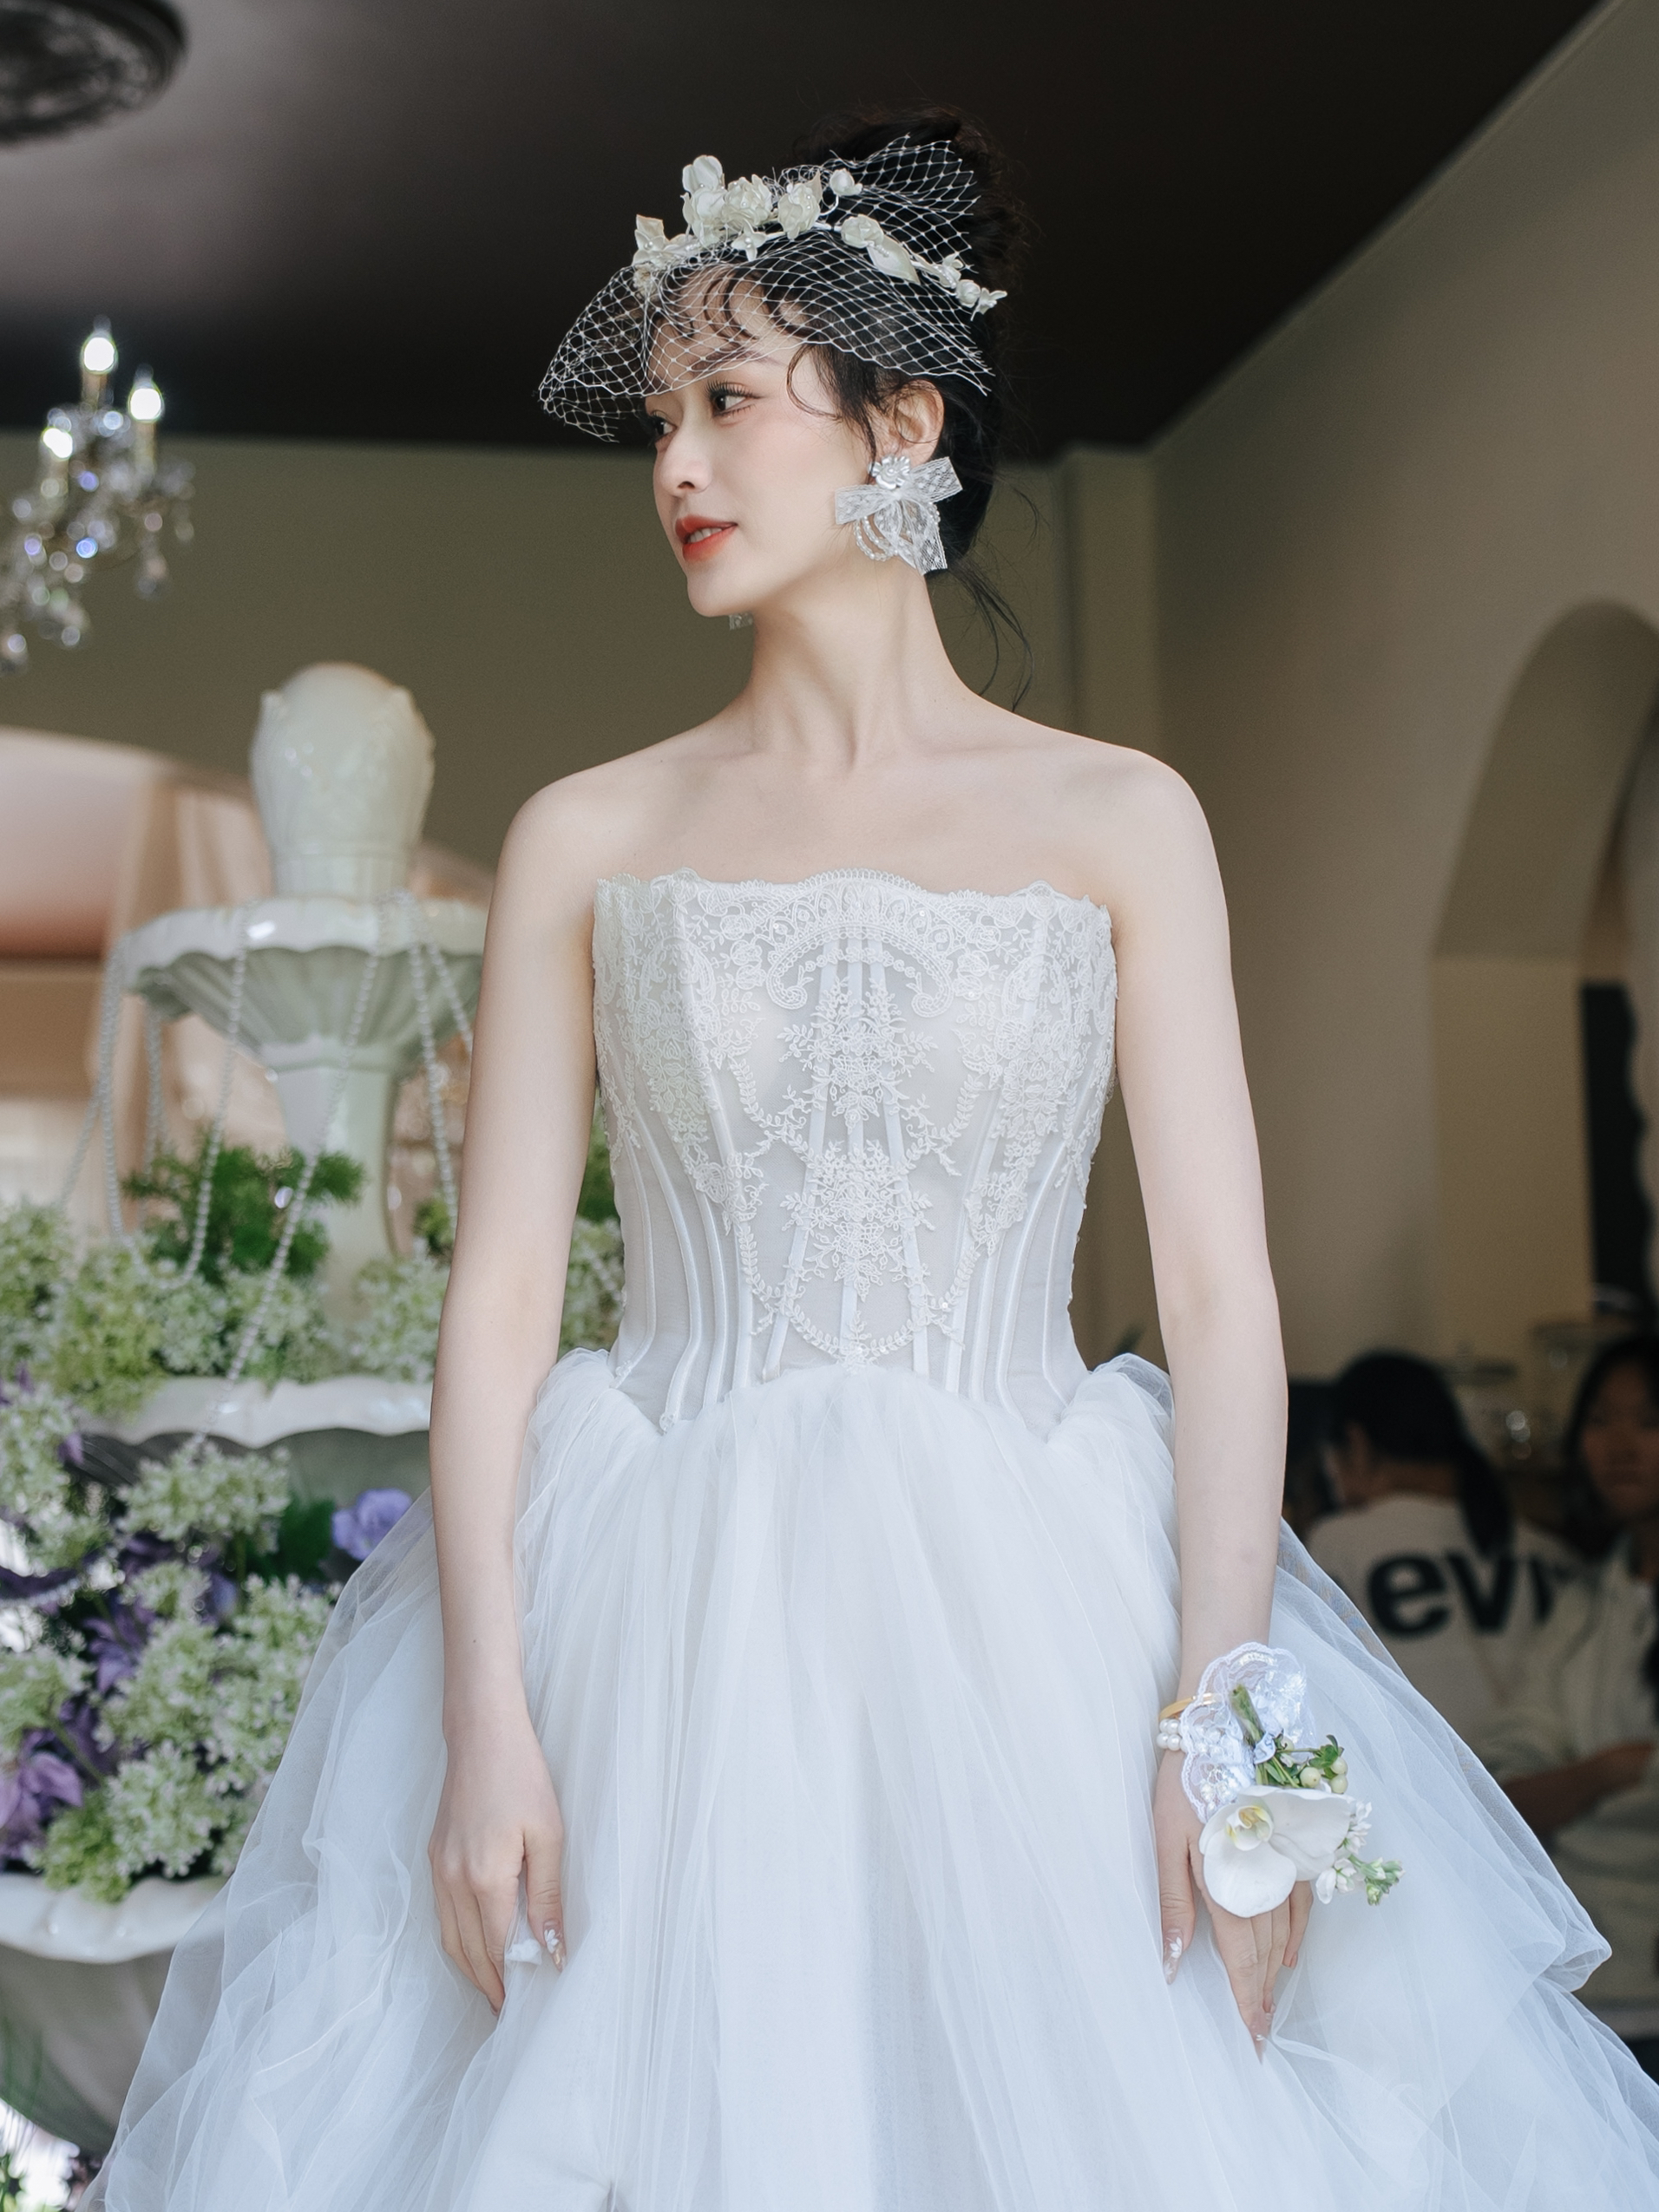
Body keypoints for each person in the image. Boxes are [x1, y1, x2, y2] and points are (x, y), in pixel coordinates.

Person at [87, 111, 1659, 2210]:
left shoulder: (1120, 820)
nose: (676, 463)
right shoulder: (586, 835)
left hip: (1037, 1623)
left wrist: (1225, 1741)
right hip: (655, 1627)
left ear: (901, 421)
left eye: (729, 401)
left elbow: (1218, 1298)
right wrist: (487, 1719)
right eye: (660, 417)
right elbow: (501, 1304)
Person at [1479, 1336, 1659, 2071]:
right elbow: (1507, 1787)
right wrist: (1608, 1773)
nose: (1620, 1445)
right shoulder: (1587, 1600)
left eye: (1648, 1420)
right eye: (1601, 1420)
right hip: (1588, 1981)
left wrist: (1583, 1784)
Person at [1309, 1351, 1578, 1740]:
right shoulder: (1552, 1555)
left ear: (1356, 1443)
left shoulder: (1337, 1543)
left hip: (1415, 1776)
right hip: (1542, 1776)